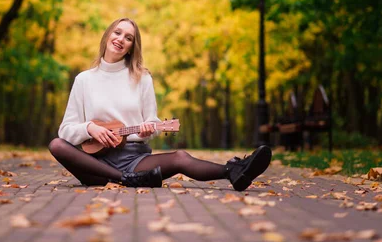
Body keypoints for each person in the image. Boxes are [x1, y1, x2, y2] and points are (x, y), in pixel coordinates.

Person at [48, 17, 272, 189]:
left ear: (131, 46)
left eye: (128, 38)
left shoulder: (142, 77)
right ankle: (126, 180)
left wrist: (148, 130)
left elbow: (152, 121)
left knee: (180, 157)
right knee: (57, 144)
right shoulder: (84, 80)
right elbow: (66, 130)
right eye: (118, 32)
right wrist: (89, 127)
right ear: (107, 35)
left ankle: (233, 171)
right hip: (94, 164)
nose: (121, 39)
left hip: (134, 159)